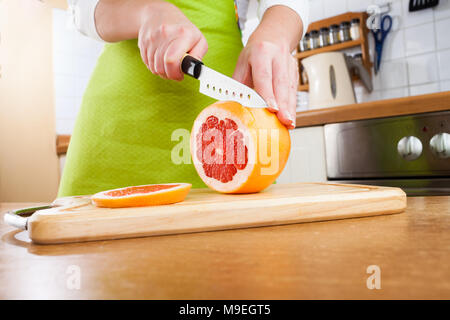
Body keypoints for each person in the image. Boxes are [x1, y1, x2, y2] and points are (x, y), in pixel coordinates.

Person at [59, 0, 309, 196]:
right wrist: (146, 12)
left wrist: (275, 34)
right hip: (115, 132)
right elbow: (82, 6)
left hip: (231, 135)